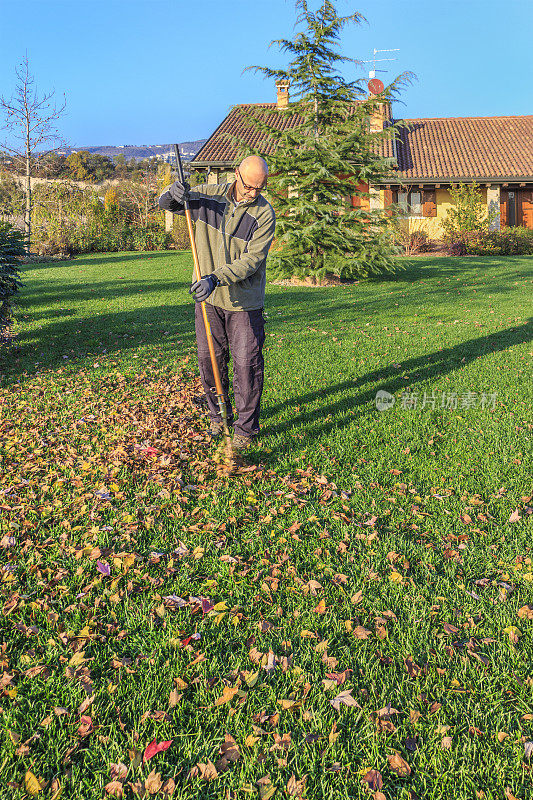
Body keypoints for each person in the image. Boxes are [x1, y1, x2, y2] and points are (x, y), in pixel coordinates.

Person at [158, 155, 276, 452]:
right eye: (249, 186)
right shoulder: (208, 196)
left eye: (259, 188)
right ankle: (217, 417)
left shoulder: (264, 214)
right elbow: (168, 204)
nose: (253, 193)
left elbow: (251, 261)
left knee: (246, 366)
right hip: (208, 300)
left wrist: (215, 277)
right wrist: (172, 195)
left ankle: (246, 430)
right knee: (210, 361)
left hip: (244, 304)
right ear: (236, 174)